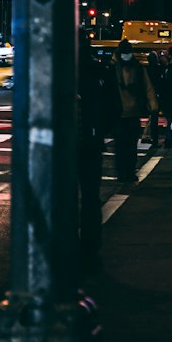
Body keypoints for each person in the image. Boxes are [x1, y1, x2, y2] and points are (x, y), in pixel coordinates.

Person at [78, 31, 109, 270]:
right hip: (91, 141)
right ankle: (90, 248)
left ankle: (70, 246)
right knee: (90, 198)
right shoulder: (97, 71)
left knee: (64, 197)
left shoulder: (58, 71)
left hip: (70, 144)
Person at [111, 38, 158, 182]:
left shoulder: (125, 69)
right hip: (122, 113)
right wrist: (153, 106)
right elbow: (148, 88)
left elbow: (147, 88)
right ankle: (125, 172)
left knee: (127, 146)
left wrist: (153, 105)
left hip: (128, 113)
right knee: (125, 146)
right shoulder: (132, 68)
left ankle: (126, 172)